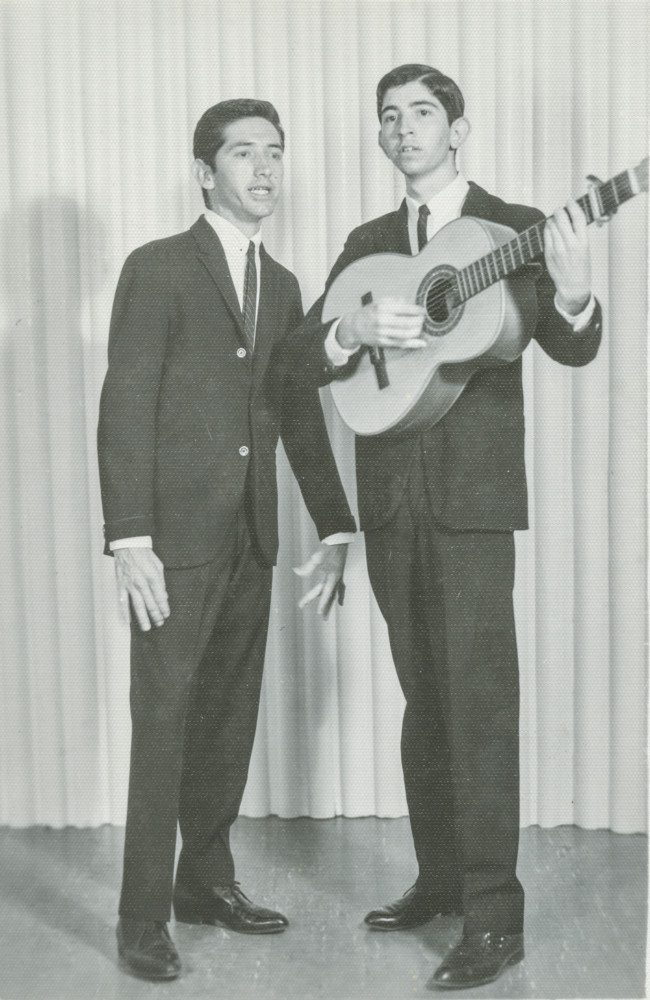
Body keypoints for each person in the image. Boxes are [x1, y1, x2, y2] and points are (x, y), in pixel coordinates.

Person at [298, 64, 602, 990]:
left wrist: (578, 285)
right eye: (388, 117)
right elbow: (306, 355)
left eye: (421, 113)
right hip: (391, 500)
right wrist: (353, 335)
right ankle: (438, 880)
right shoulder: (367, 242)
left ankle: (494, 918)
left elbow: (573, 343)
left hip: (473, 505)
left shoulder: (514, 228)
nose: (402, 129)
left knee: (477, 705)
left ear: (458, 129)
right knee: (423, 698)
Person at [97, 98, 355, 982]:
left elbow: (293, 412)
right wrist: (129, 538)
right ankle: (141, 919)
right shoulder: (159, 268)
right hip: (171, 546)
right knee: (162, 727)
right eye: (244, 154)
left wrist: (337, 520)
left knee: (225, 725)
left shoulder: (282, 285)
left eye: (275, 154)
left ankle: (205, 884)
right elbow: (125, 405)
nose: (264, 170)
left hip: (251, 538)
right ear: (204, 171)